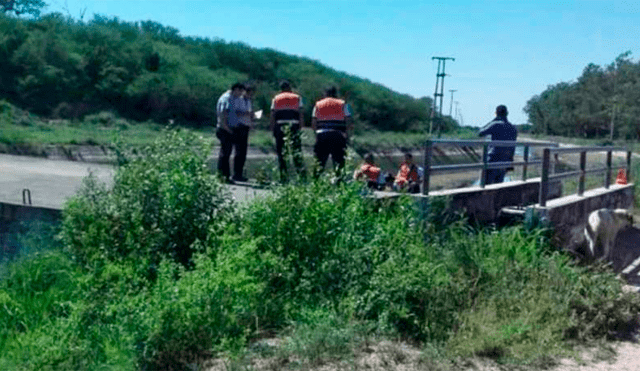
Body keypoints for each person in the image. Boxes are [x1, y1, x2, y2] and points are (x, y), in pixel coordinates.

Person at [311, 86, 353, 176]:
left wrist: (316, 135)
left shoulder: (318, 104)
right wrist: (347, 135)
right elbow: (348, 120)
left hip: (322, 134)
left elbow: (314, 122)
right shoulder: (342, 104)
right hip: (338, 135)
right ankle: (339, 184)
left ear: (325, 94)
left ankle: (316, 183)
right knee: (339, 162)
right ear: (335, 94)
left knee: (319, 162)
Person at [270, 80, 305, 180]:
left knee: (281, 153)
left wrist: (272, 129)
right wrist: (301, 128)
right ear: (290, 88)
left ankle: (283, 176)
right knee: (296, 151)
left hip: (280, 125)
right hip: (294, 125)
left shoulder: (276, 98)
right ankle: (301, 175)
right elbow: (301, 114)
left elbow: (272, 114)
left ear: (281, 89)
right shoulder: (297, 97)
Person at [216, 82, 250, 183]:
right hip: (225, 129)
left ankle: (230, 176)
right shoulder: (226, 98)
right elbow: (223, 114)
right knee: (225, 154)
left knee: (229, 152)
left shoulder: (233, 98)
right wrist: (227, 128)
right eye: (240, 91)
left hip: (232, 129)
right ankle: (223, 177)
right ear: (236, 89)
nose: (241, 94)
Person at [478, 105, 518, 185]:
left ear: (496, 113)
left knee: (486, 185)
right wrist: (510, 161)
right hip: (505, 160)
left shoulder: (495, 124)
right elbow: (513, 147)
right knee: (498, 185)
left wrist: (493, 120)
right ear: (507, 113)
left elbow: (480, 132)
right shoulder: (513, 128)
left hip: (493, 158)